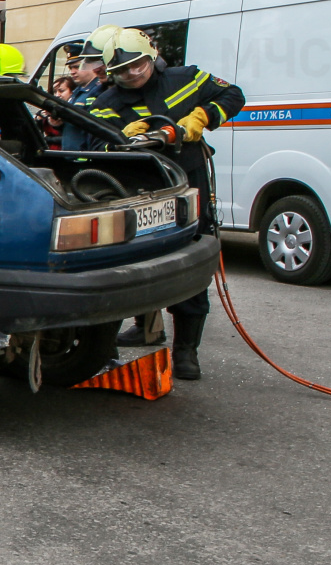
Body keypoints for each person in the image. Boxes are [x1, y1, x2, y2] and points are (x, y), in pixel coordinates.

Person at [90, 27, 244, 380]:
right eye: (122, 71)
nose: (132, 74)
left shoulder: (185, 79)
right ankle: (106, 346)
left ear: (151, 57)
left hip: (189, 188)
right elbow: (96, 151)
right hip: (140, 194)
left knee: (190, 270)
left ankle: (186, 352)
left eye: (138, 65)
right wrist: (121, 139)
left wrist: (202, 117)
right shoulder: (107, 104)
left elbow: (233, 96)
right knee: (126, 272)